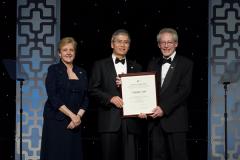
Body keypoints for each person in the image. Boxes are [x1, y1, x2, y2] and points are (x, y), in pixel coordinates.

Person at [139, 28, 193, 160]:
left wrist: (164, 108)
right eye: (163, 42)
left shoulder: (186, 64)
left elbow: (184, 91)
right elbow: (146, 90)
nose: (166, 45)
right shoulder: (152, 64)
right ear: (158, 45)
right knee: (157, 156)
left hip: (176, 121)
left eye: (169, 42)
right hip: (155, 122)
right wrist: (143, 108)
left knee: (179, 156)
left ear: (176, 44)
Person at [88, 29, 142, 160]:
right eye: (119, 42)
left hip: (131, 123)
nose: (123, 45)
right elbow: (92, 90)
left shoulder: (137, 67)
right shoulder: (100, 65)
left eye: (126, 42)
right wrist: (110, 98)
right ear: (112, 44)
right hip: (109, 122)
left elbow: (141, 92)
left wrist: (143, 108)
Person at [40, 37, 88, 160]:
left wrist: (78, 117)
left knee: (73, 154)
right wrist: (72, 116)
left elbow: (86, 98)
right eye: (65, 50)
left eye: (71, 50)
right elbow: (53, 97)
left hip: (75, 123)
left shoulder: (81, 72)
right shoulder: (53, 70)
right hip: (56, 120)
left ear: (75, 53)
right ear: (59, 53)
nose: (68, 53)